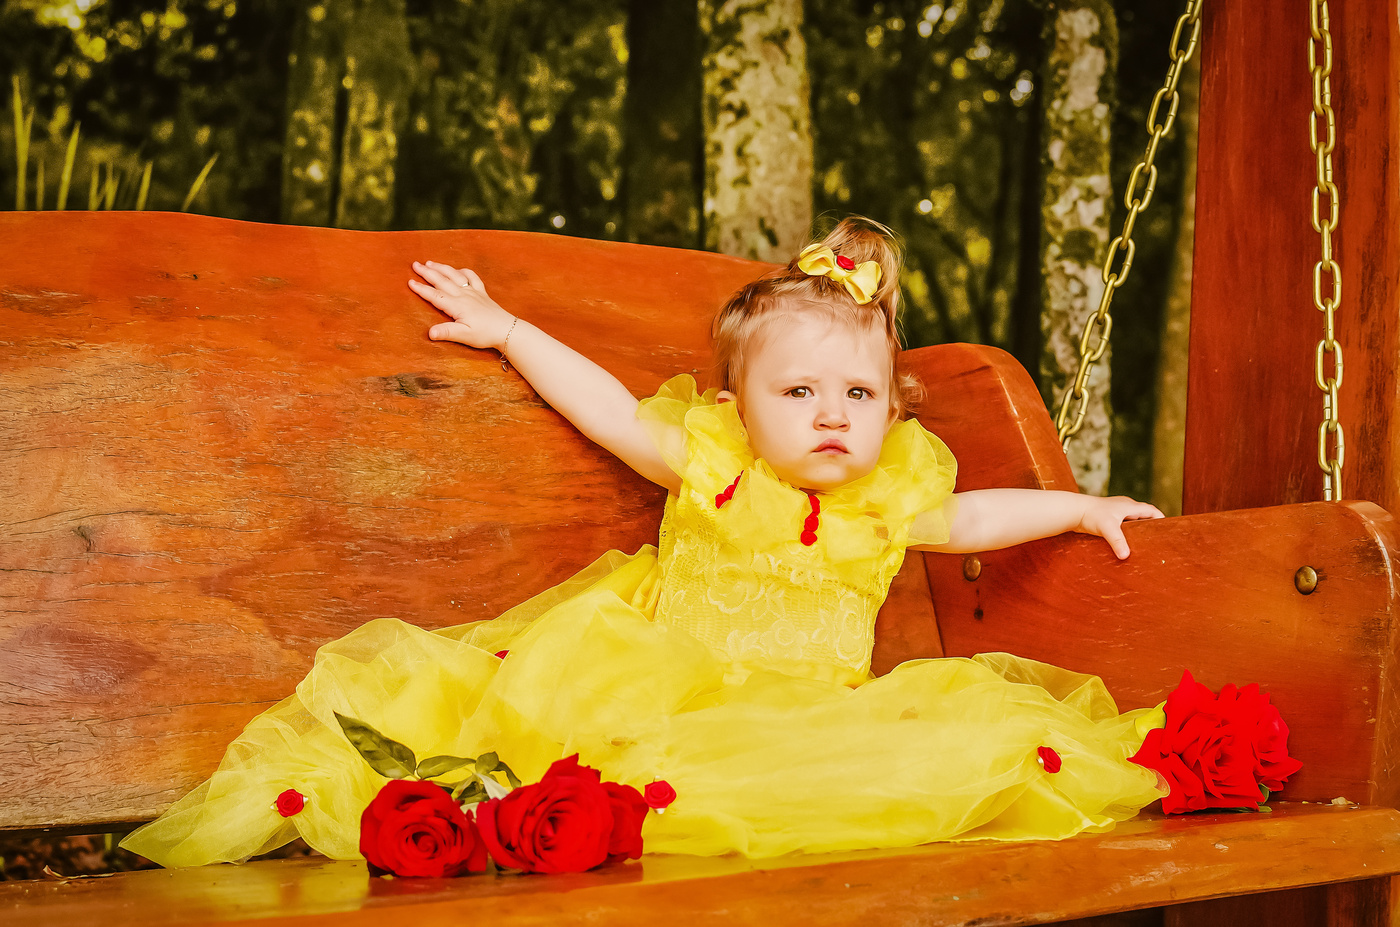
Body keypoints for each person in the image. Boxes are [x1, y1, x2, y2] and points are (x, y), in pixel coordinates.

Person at [122, 217, 1166, 867]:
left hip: (816, 722)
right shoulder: (714, 466)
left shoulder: (886, 498)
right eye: (797, 392)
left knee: (888, 780)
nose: (830, 414)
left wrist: (1081, 510)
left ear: (893, 408)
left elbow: (974, 519)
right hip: (661, 699)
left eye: (858, 394)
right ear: (739, 405)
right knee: (610, 784)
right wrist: (509, 331)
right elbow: (611, 414)